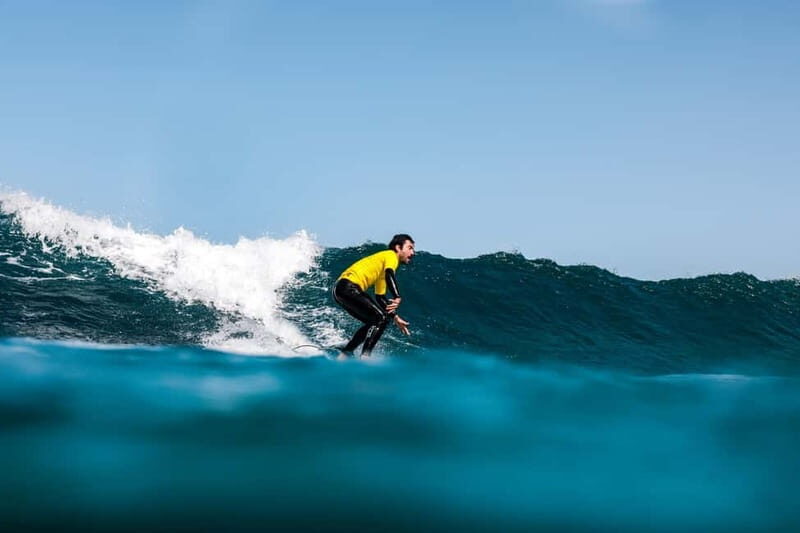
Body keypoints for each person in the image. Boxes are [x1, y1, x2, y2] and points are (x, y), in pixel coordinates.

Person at [332, 234, 415, 356]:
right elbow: (389, 274)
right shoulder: (391, 256)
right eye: (410, 248)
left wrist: (395, 317)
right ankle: (365, 356)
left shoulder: (382, 265)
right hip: (349, 286)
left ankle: (346, 352)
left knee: (375, 320)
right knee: (380, 319)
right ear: (398, 248)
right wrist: (397, 296)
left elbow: (380, 297)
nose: (413, 252)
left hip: (340, 290)